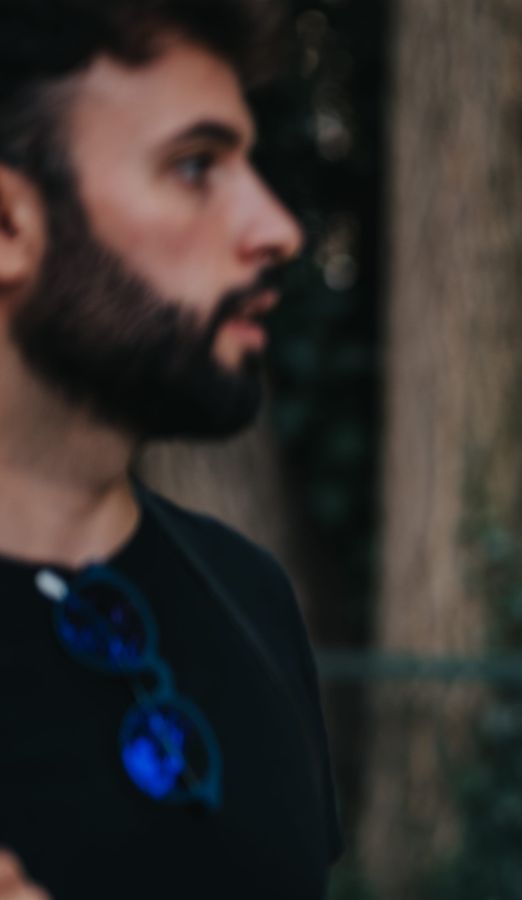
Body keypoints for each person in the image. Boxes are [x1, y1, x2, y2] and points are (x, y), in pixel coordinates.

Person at [0, 1, 341, 897]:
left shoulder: (251, 594)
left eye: (246, 163)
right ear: (7, 225)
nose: (276, 229)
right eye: (195, 166)